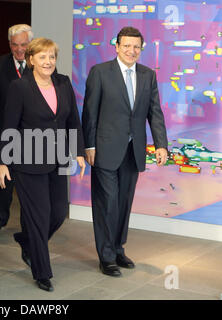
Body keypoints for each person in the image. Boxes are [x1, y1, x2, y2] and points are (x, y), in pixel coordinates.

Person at [0, 38, 86, 292]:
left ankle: (26, 240)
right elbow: (8, 128)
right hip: (26, 162)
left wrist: (78, 151)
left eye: (52, 57)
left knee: (58, 212)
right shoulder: (20, 87)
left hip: (57, 159)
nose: (48, 62)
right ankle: (42, 271)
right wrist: (2, 162)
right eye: (43, 57)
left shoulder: (63, 83)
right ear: (31, 59)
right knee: (38, 216)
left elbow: (73, 122)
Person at [82, 26, 168, 277]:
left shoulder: (148, 75)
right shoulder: (100, 72)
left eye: (136, 47)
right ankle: (106, 256)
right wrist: (89, 145)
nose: (131, 50)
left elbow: (155, 112)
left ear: (141, 49)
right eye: (126, 45)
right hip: (105, 149)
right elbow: (90, 113)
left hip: (133, 150)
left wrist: (161, 143)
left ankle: (118, 249)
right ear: (117, 46)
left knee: (124, 203)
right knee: (107, 203)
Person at [0, 24, 33, 239]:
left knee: (31, 182)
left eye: (24, 44)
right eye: (15, 45)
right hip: (6, 131)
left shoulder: (40, 62)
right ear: (10, 45)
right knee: (4, 180)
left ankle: (30, 224)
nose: (20, 50)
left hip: (34, 133)